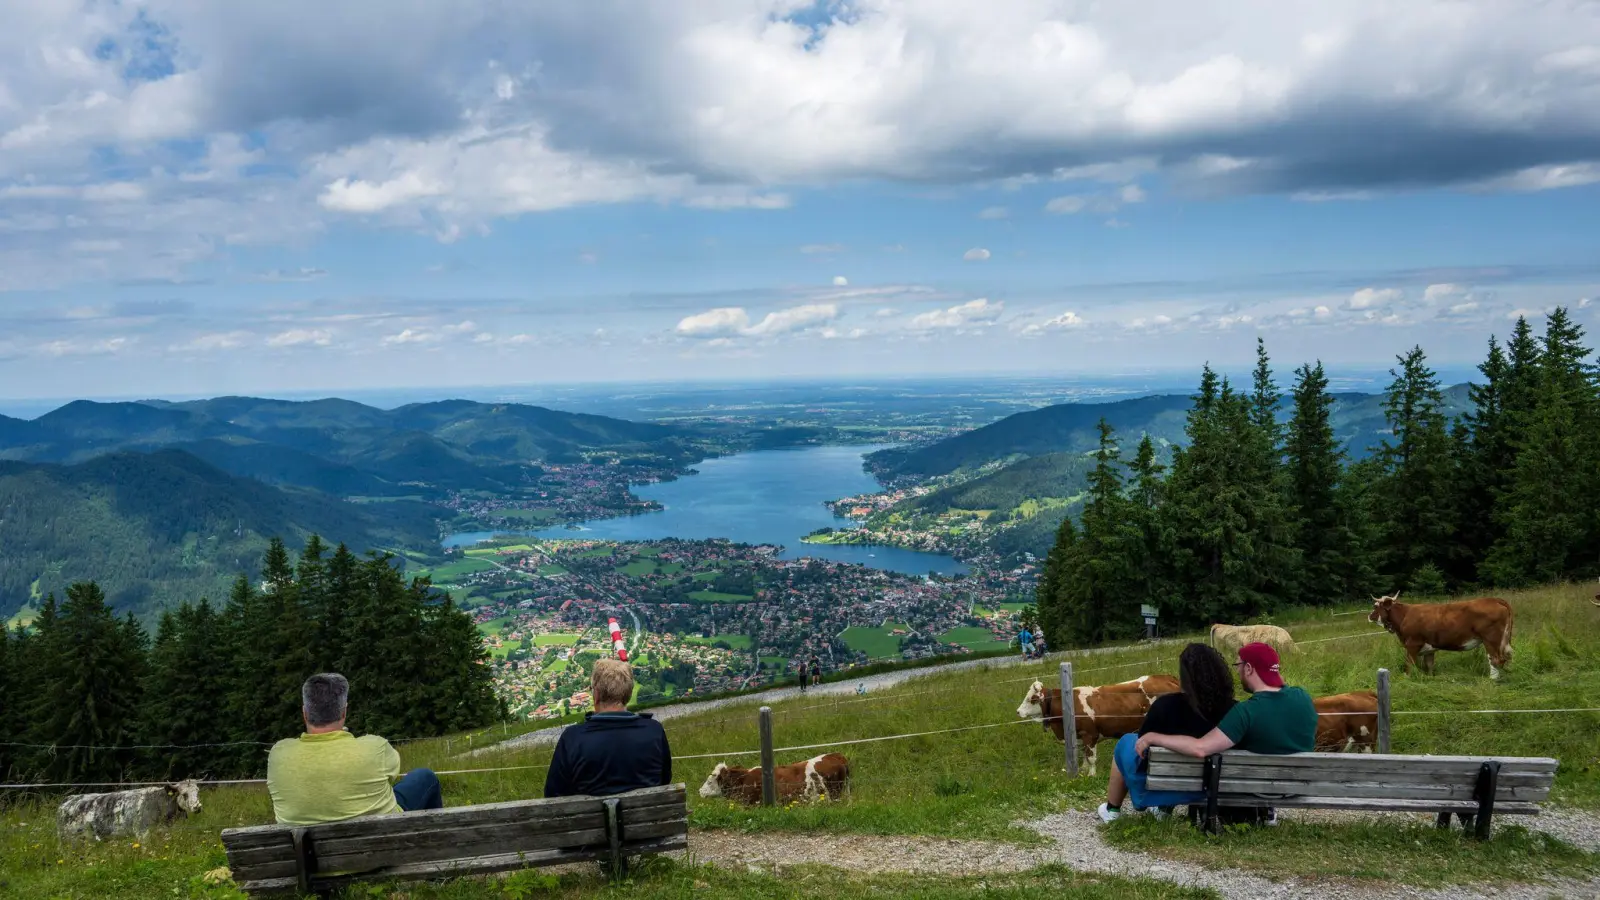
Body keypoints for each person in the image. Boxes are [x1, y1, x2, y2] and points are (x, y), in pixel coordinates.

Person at [1105, 642, 1318, 826]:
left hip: (1247, 788)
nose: (1237, 672)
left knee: (1127, 742)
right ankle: (1267, 810)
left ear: (1249, 668)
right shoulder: (1303, 698)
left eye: (1238, 665)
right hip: (1293, 786)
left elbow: (1200, 748)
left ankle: (1114, 809)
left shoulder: (1245, 713)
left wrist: (1153, 737)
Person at [267, 673, 443, 826]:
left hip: (307, 854)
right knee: (425, 777)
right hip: (381, 848)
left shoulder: (278, 754)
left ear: (304, 713)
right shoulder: (376, 747)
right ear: (344, 712)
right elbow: (393, 774)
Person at [1097, 644, 1235, 823]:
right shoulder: (1234, 710)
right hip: (1215, 786)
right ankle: (1162, 809)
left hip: (1167, 784)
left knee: (1126, 742)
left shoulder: (1166, 705)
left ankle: (1113, 810)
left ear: (1184, 676)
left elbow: (1141, 745)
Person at [545, 659, 673, 797]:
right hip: (648, 811)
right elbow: (664, 780)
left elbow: (553, 794)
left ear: (596, 694)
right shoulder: (653, 731)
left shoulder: (572, 738)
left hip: (588, 812)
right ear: (629, 694)